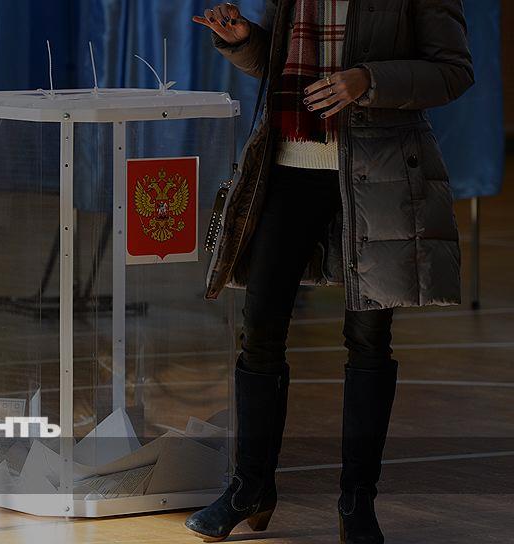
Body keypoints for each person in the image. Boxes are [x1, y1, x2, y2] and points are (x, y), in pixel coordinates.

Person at [187, 1, 473, 543]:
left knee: (369, 340)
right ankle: (250, 488)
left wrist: (367, 79)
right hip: (288, 165)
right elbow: (279, 65)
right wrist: (244, 40)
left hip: (378, 171)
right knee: (259, 331)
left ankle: (357, 501)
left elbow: (453, 71)